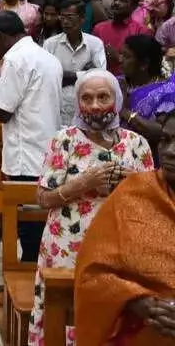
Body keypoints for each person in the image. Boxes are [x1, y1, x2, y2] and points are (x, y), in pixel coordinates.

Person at [26, 70, 154, 345]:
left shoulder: (137, 144)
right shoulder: (64, 140)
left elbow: (153, 202)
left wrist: (130, 181)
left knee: (114, 315)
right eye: (87, 98)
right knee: (63, 313)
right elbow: (42, 198)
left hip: (121, 250)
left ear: (116, 101)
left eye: (102, 97)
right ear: (78, 104)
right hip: (68, 246)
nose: (95, 105)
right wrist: (85, 182)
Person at [74, 110, 175, 345]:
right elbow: (92, 274)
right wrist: (136, 301)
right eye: (166, 140)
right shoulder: (134, 193)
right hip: (142, 333)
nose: (170, 151)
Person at [0, 11, 63, 262]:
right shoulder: (47, 56)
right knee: (41, 222)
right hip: (48, 150)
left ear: (1, 36)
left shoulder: (15, 59)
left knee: (29, 225)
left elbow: (3, 112)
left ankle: (28, 283)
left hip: (26, 152)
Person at [43, 0, 107, 126]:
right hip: (58, 111)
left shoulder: (95, 44)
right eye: (62, 17)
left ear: (82, 18)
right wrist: (84, 74)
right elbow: (47, 78)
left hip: (87, 111)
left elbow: (100, 76)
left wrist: (68, 75)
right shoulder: (50, 44)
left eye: (70, 17)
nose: (65, 22)